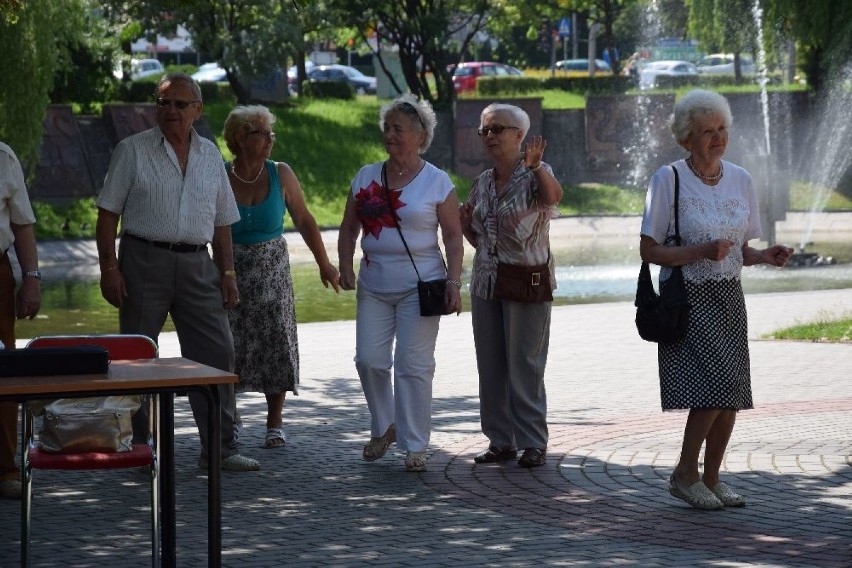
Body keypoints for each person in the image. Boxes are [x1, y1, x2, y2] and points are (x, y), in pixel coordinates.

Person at [96, 73, 259, 472]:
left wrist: (229, 273)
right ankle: (137, 450)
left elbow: (222, 222)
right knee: (135, 358)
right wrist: (109, 268)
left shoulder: (210, 157)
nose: (171, 111)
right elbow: (106, 216)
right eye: (164, 103)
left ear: (197, 111)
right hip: (142, 259)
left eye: (180, 104)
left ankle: (220, 448)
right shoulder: (131, 150)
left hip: (196, 263)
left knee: (219, 352)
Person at [639, 89, 793, 509]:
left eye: (722, 128)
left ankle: (710, 477)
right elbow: (649, 251)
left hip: (729, 295)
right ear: (687, 138)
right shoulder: (667, 178)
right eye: (707, 131)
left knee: (733, 394)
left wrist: (764, 255)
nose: (718, 137)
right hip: (686, 297)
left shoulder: (741, 178)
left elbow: (740, 248)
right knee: (716, 389)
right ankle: (685, 474)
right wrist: (699, 251)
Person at [338, 94, 463, 472]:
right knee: (370, 360)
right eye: (387, 128)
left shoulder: (437, 181)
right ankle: (385, 425)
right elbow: (348, 227)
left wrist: (454, 282)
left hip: (421, 285)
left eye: (399, 129)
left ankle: (415, 445)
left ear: (420, 135)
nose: (390, 135)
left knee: (412, 364)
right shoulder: (365, 176)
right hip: (374, 283)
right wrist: (345, 263)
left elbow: (454, 238)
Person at [221, 105, 340, 448]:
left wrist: (324, 264)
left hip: (271, 269)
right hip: (231, 269)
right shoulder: (220, 175)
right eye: (262, 133)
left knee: (276, 341)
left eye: (271, 133)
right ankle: (233, 414)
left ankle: (275, 421)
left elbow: (304, 219)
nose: (270, 140)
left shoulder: (280, 173)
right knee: (230, 342)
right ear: (240, 138)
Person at [460, 103, 563, 468]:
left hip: (526, 282)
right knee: (490, 366)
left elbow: (553, 198)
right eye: (484, 130)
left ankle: (534, 441)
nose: (489, 136)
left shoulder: (537, 172)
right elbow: (470, 225)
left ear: (519, 136)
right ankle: (501, 441)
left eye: (497, 129)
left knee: (525, 365)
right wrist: (481, 244)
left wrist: (536, 168)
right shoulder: (483, 181)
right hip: (486, 282)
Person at [0, 141, 41, 499]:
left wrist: (31, 278)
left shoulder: (3, 156)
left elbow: (22, 223)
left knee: (3, 371)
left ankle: (5, 467)